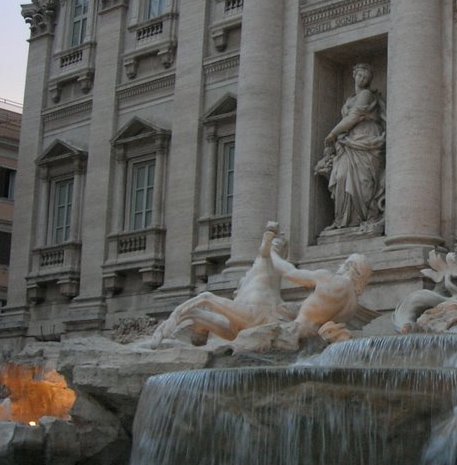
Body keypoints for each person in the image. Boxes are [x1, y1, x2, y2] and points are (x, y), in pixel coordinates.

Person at [150, 221, 288, 346]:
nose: (273, 248)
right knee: (194, 313)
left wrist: (269, 233)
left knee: (206, 297)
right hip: (239, 323)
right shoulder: (255, 270)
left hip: (255, 317)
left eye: (276, 246)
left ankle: (176, 315)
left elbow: (264, 251)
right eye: (274, 245)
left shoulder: (273, 263)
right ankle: (166, 330)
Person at [315, 63, 386, 230]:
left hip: (366, 137)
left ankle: (363, 217)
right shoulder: (349, 99)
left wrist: (332, 134)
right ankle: (343, 220)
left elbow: (353, 118)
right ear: (354, 75)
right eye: (360, 75)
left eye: (366, 77)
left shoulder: (367, 95)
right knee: (341, 176)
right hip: (349, 141)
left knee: (364, 180)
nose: (362, 79)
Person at [269, 249, 372, 339]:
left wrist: (271, 252)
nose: (340, 266)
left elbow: (290, 272)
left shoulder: (330, 279)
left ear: (350, 265)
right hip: (312, 344)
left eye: (343, 263)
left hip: (290, 333)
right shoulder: (353, 304)